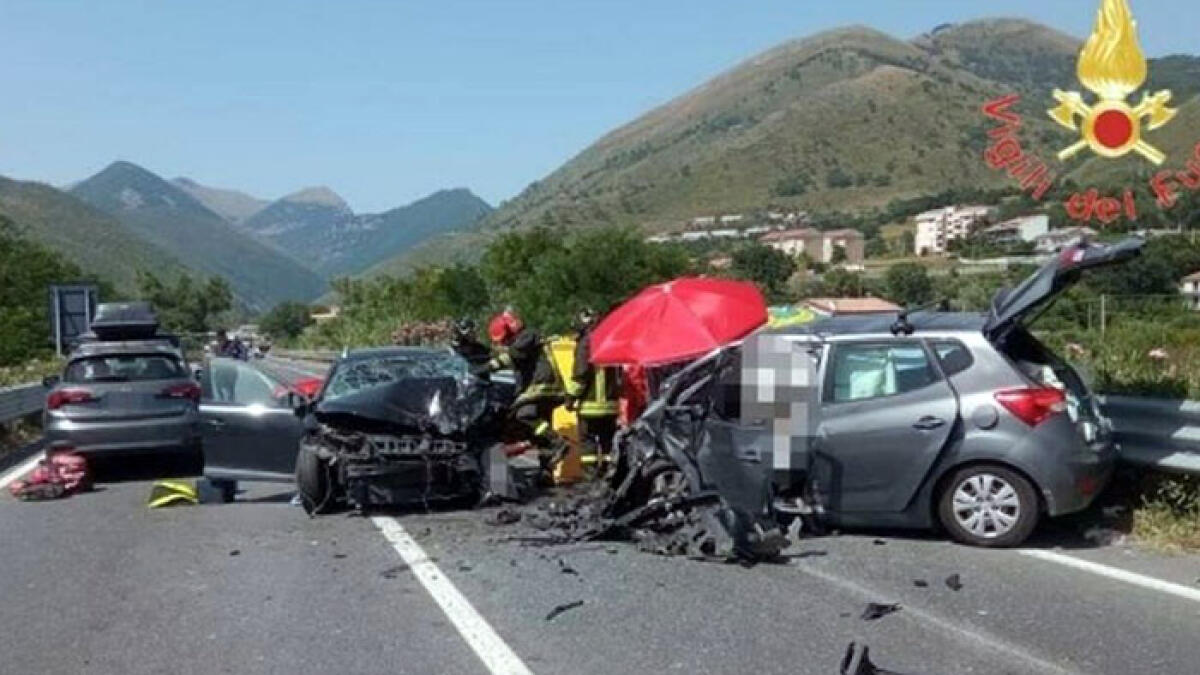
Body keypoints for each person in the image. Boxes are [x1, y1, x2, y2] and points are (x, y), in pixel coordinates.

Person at [484, 309, 569, 467]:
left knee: (525, 415)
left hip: (542, 386)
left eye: (506, 339)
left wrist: (487, 367)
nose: (506, 343)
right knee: (537, 429)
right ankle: (546, 466)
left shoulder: (528, 336)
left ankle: (557, 441)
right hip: (539, 387)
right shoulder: (524, 339)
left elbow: (513, 356)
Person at [565, 308, 619, 465]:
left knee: (588, 445)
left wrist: (570, 398)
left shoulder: (586, 343)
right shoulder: (610, 339)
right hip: (611, 406)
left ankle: (592, 476)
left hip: (590, 406)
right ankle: (609, 474)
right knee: (608, 443)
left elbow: (581, 375)